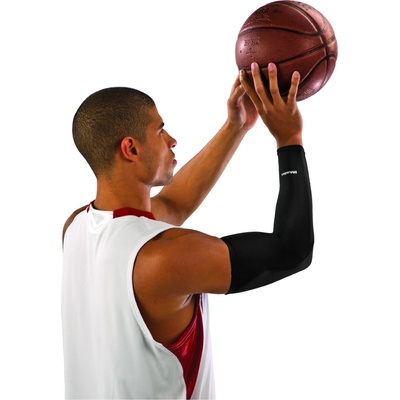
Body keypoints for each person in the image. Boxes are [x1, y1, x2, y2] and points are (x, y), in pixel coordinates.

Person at [61, 62, 314, 399]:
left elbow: (174, 204)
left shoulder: (76, 227)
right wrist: (289, 140)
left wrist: (236, 126)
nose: (172, 140)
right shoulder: (164, 257)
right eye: (160, 131)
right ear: (131, 149)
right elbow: (292, 250)